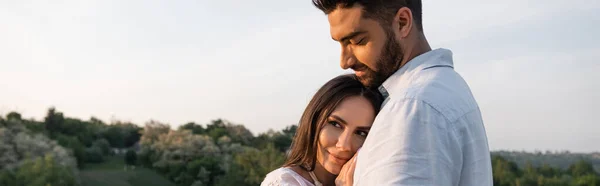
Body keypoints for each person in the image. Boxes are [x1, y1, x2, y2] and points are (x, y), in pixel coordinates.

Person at [311, 0, 493, 185]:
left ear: (402, 23)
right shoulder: (445, 86)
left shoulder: (412, 106)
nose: (344, 62)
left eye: (358, 41)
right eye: (340, 44)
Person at [261, 74, 384, 186]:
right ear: (314, 121)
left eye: (361, 133)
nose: (344, 145)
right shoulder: (285, 182)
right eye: (335, 124)